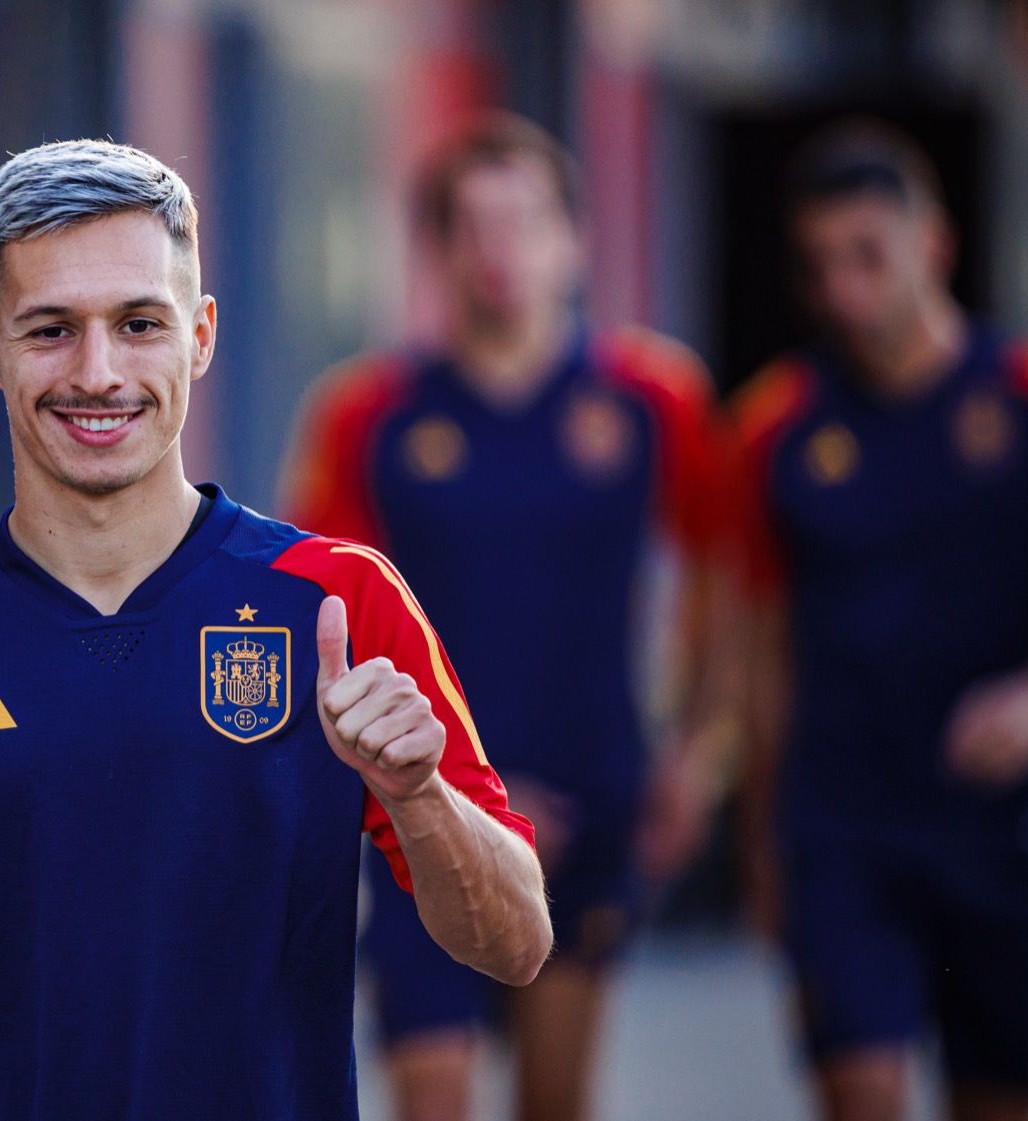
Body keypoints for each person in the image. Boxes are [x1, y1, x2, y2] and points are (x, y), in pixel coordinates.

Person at [0, 139, 551, 1121]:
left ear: (201, 334)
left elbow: (514, 940)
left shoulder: (337, 604)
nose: (99, 372)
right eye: (49, 329)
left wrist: (419, 792)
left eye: (139, 323)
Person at [282, 113, 732, 1121]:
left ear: (572, 239)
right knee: (431, 1084)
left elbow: (730, 573)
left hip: (591, 789)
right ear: (435, 250)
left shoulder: (651, 397)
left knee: (553, 1096)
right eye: (471, 227)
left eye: (522, 222)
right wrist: (434, 776)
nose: (499, 251)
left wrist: (698, 750)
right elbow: (325, 621)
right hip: (422, 792)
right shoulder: (367, 413)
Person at [735, 120, 1028, 1121]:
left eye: (867, 255)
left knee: (995, 1095)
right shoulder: (774, 425)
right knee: (861, 1087)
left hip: (999, 828)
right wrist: (759, 848)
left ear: (935, 246)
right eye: (821, 263)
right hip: (841, 826)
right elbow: (755, 646)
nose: (844, 289)